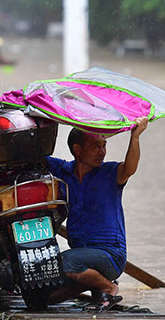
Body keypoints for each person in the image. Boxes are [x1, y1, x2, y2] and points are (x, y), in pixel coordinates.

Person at [45, 116, 149, 309]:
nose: (102, 152)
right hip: (81, 257)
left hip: (110, 256)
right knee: (45, 297)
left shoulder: (109, 173)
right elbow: (36, 157)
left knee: (64, 262)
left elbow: (130, 168)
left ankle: (108, 288)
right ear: (78, 149)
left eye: (104, 145)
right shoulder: (64, 171)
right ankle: (96, 285)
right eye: (96, 146)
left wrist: (135, 137)